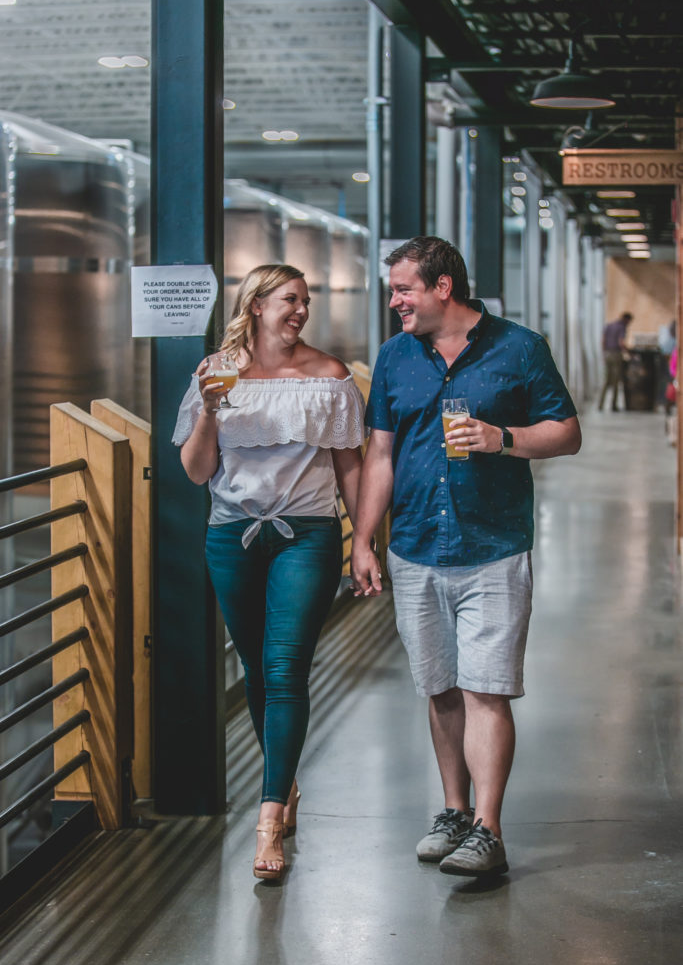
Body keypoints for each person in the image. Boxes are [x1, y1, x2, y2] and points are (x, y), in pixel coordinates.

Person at [351, 236, 581, 879]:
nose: (393, 300)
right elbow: (382, 455)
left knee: (487, 690)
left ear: (442, 287)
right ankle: (453, 811)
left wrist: (501, 438)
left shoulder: (519, 347)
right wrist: (363, 539)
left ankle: (488, 828)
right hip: (417, 547)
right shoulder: (396, 356)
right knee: (441, 688)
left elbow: (566, 432)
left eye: (403, 289)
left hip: (493, 545)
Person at [173, 263, 365, 880]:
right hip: (231, 536)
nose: (301, 309)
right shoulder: (215, 373)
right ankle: (285, 780)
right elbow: (198, 472)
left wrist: (362, 540)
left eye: (306, 300)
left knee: (285, 668)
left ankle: (267, 816)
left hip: (305, 536)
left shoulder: (331, 376)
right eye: (290, 299)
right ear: (255, 305)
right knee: (254, 668)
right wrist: (208, 410)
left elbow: (350, 467)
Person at [598, 311, 633, 411]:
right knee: (616, 381)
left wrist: (604, 353)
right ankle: (613, 405)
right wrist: (628, 352)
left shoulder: (609, 325)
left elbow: (603, 340)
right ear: (627, 320)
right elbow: (621, 342)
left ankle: (600, 404)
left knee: (607, 380)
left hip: (607, 353)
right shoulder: (622, 327)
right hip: (616, 354)